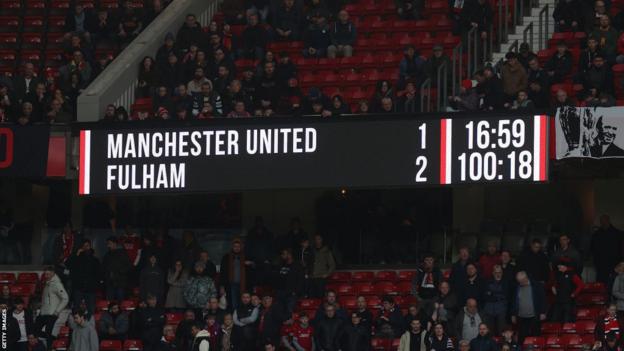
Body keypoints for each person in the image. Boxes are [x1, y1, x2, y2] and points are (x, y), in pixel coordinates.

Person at [34, 266, 69, 347]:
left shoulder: (57, 284)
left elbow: (65, 298)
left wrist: (57, 311)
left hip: (52, 313)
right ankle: (54, 338)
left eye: (48, 274)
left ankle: (50, 346)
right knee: (35, 330)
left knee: (48, 332)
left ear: (53, 273)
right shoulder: (47, 283)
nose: (46, 276)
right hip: (43, 313)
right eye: (45, 274)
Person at [66, 239, 100, 315]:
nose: (85, 248)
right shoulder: (77, 258)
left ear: (90, 246)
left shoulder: (95, 260)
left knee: (91, 309)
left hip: (91, 288)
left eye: (87, 246)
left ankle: (90, 326)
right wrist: (76, 254)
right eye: (84, 246)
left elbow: (98, 274)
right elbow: (68, 264)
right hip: (78, 287)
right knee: (76, 308)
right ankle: (75, 325)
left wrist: (95, 285)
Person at [511, 271, 547, 344]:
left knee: (536, 336)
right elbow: (514, 301)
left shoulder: (537, 285)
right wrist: (513, 314)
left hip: (534, 315)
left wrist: (543, 312)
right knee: (522, 338)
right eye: (518, 281)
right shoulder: (516, 286)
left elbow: (543, 299)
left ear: (526, 278)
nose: (520, 283)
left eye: (521, 281)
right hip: (521, 317)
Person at [220, 238, 250, 309]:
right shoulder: (226, 257)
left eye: (238, 246)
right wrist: (222, 286)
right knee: (233, 304)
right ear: (232, 247)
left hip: (243, 284)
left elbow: (252, 269)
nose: (237, 248)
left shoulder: (245, 257)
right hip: (231, 284)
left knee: (243, 303)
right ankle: (234, 318)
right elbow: (223, 272)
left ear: (241, 247)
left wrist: (250, 263)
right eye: (235, 246)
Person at [102, 236, 132, 302]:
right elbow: (104, 268)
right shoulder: (107, 255)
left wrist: (120, 272)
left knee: (120, 303)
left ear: (115, 243)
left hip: (120, 283)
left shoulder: (122, 253)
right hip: (110, 283)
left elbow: (129, 266)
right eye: (107, 243)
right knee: (110, 303)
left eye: (109, 243)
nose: (108, 245)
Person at [275, 248, 305, 314]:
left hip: (291, 294)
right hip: (281, 293)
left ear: (290, 255)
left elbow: (301, 280)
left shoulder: (297, 265)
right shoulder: (281, 265)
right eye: (282, 254)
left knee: (289, 312)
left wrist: (295, 292)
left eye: (284, 254)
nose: (283, 256)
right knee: (279, 312)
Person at [483, 265, 509, 336]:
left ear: (502, 273)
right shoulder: (487, 281)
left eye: (499, 272)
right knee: (489, 332)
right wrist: (498, 296)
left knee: (502, 332)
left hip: (501, 310)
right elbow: (485, 296)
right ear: (493, 273)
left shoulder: (506, 282)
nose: (498, 274)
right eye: (496, 272)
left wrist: (492, 294)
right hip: (489, 310)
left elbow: (506, 295)